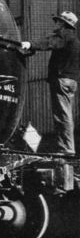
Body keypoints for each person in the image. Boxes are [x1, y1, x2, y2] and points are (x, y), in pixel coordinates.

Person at [21, 11, 80, 156]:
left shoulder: (64, 36)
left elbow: (49, 43)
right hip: (71, 81)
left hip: (62, 80)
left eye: (58, 22)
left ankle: (66, 149)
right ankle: (66, 147)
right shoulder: (74, 40)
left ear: (64, 24)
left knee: (62, 115)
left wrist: (30, 44)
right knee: (64, 114)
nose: (56, 24)